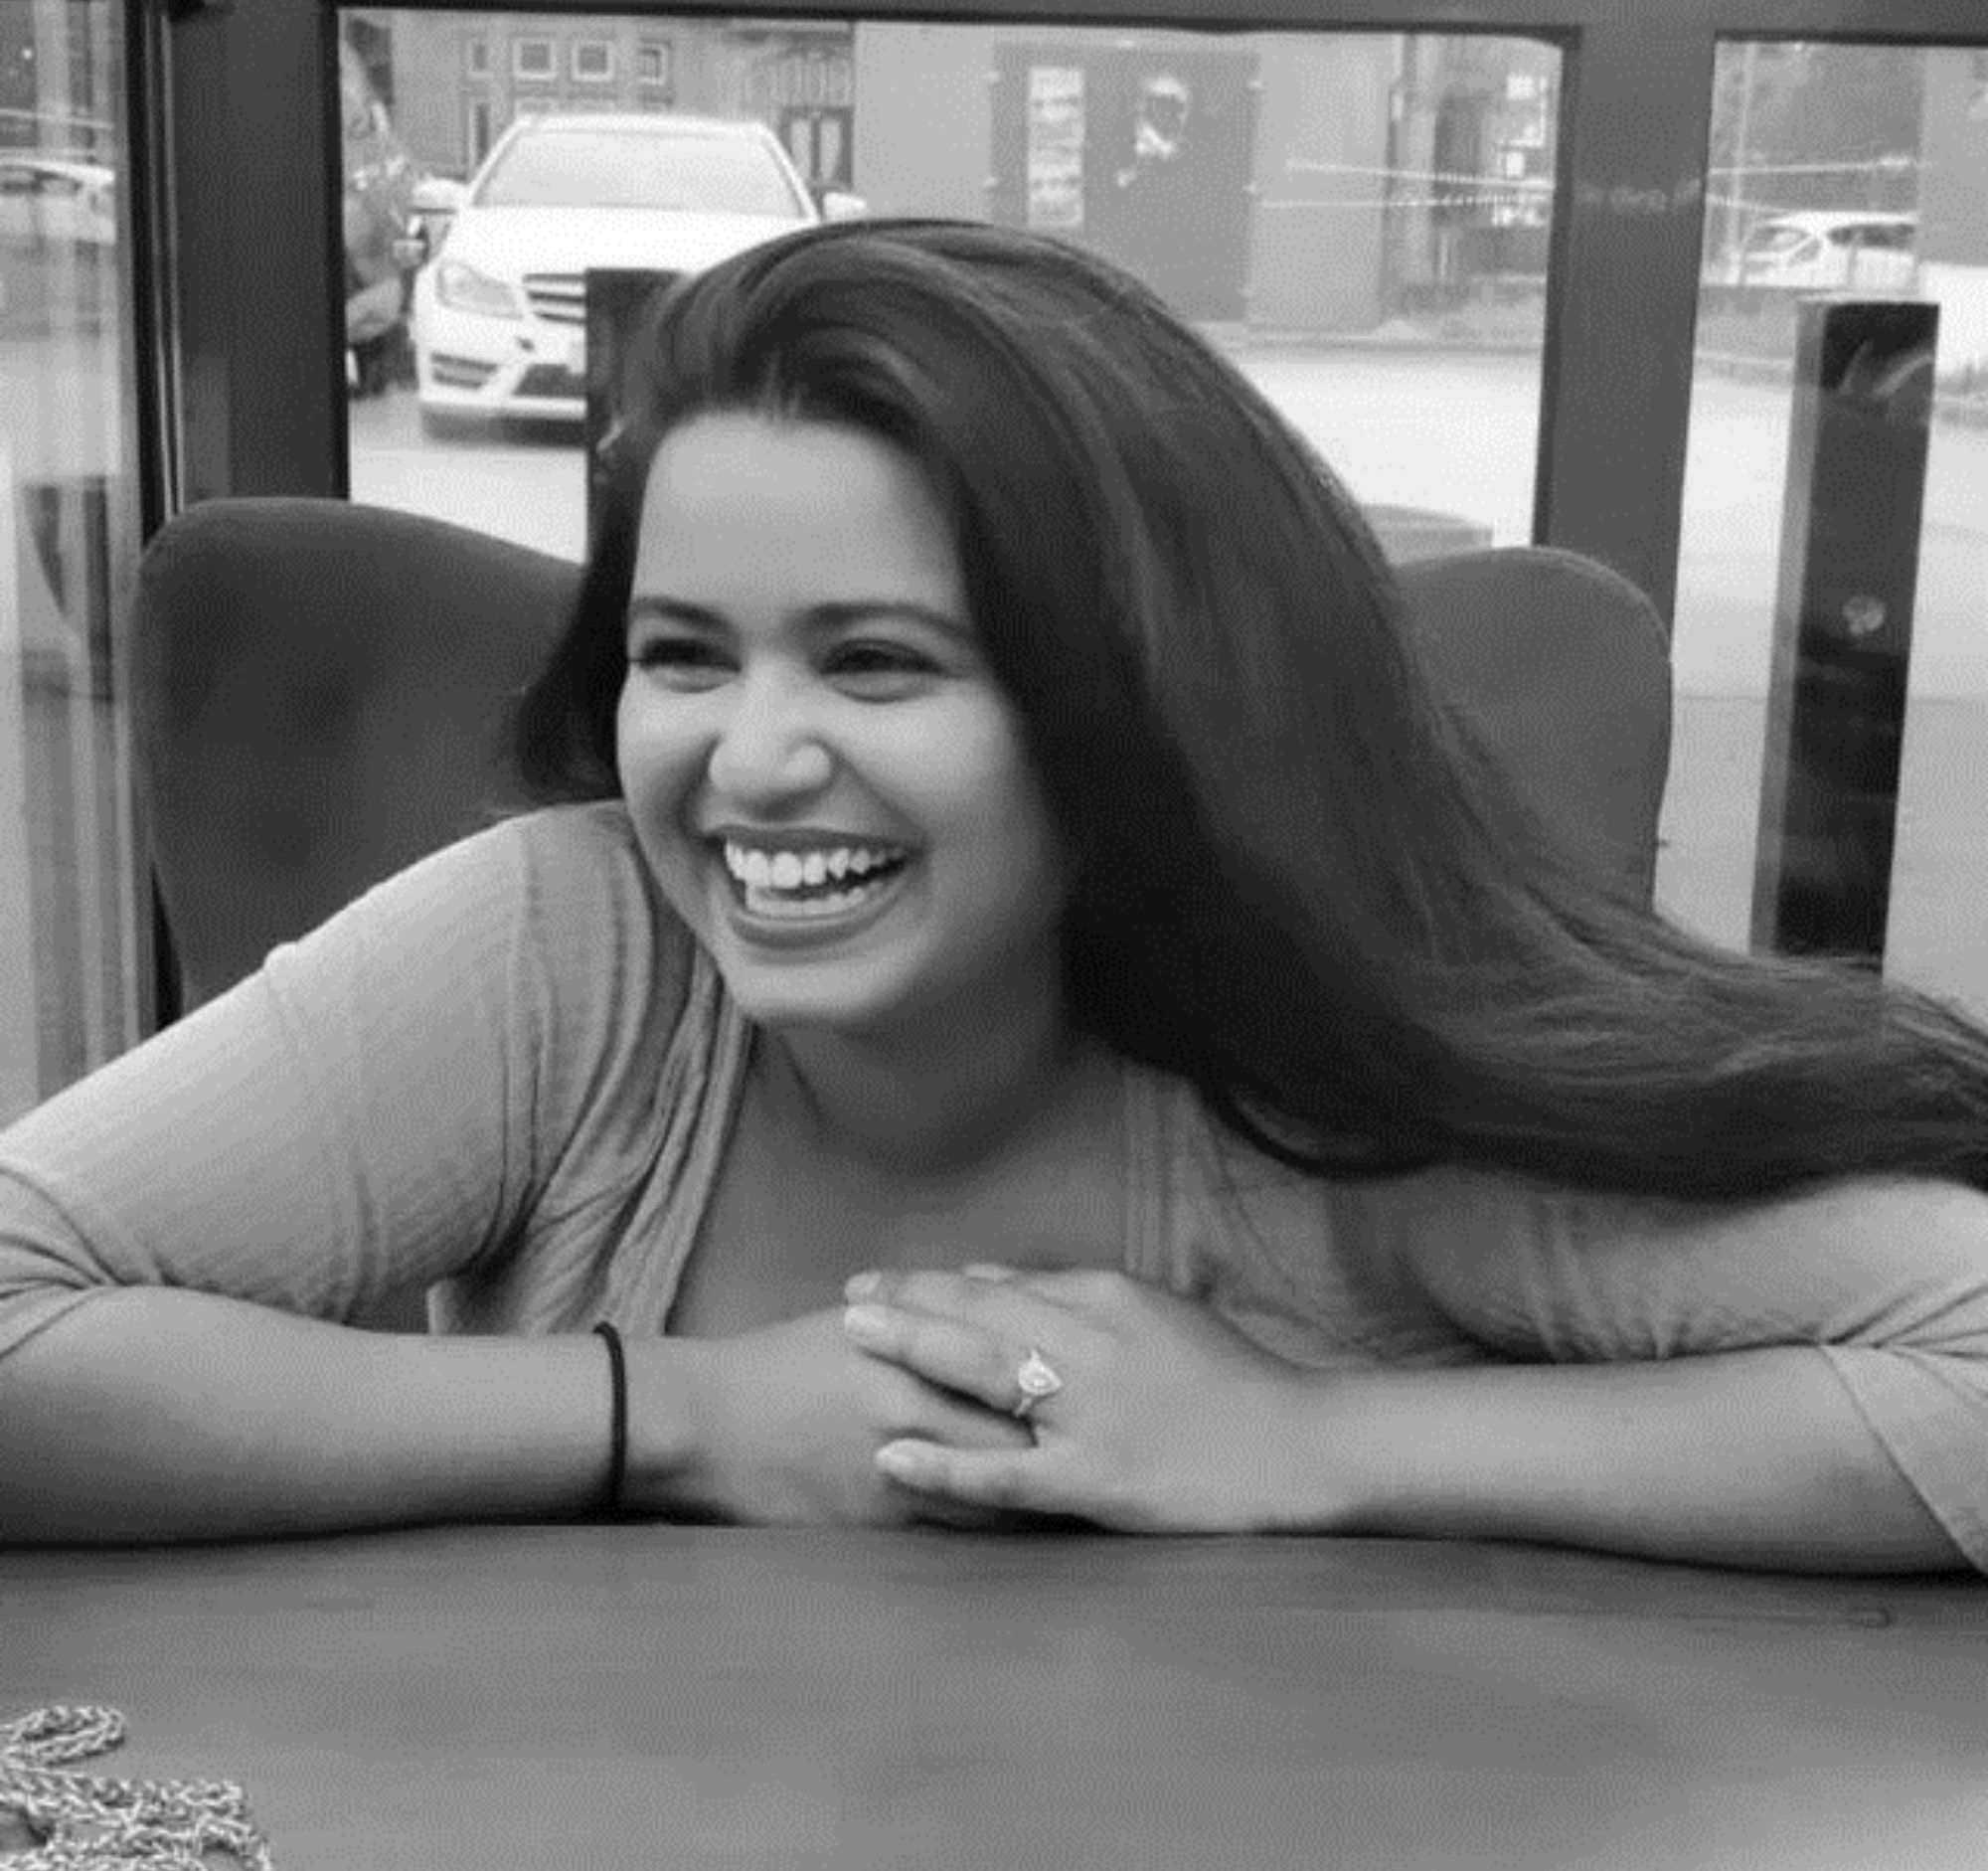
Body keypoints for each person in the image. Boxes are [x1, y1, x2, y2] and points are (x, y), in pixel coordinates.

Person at [4, 219, 1988, 1570]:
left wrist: (1308, 1437)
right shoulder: (570, 949)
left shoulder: (1322, 1093)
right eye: (683, 655)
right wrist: (672, 1411)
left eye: (878, 662)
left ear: (1144, 713)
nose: (748, 760)